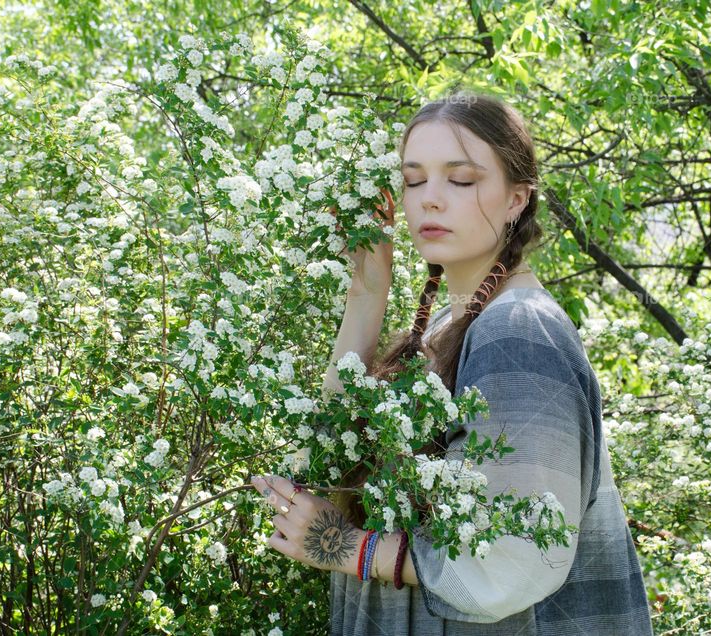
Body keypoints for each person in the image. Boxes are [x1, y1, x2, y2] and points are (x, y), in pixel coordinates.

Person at [251, 91, 653, 635]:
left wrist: (347, 547)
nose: (429, 200)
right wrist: (367, 294)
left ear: (517, 198)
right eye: (413, 180)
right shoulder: (450, 323)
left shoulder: (516, 332)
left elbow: (513, 559)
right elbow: (323, 458)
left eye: (461, 180)